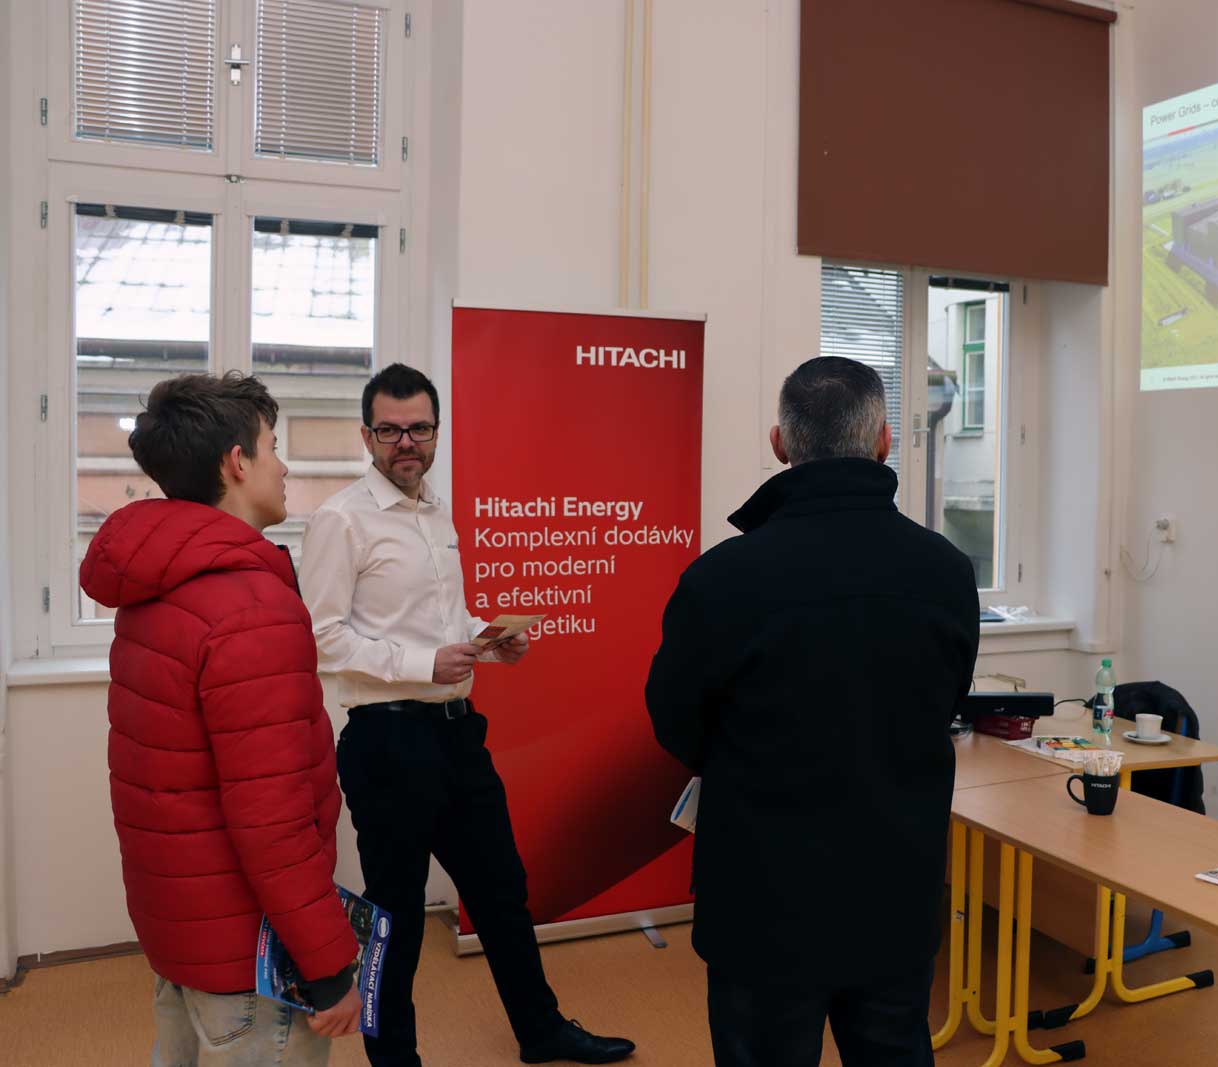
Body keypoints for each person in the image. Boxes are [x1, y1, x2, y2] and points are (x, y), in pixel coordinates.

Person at [646, 356, 980, 1067]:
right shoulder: (947, 571)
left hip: (762, 901)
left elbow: (674, 720)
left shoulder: (721, 579)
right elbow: (947, 703)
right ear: (885, 441)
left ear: (780, 444)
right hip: (897, 888)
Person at [299, 363, 635, 1067]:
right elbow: (322, 637)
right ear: (366, 435)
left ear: (436, 432)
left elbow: (439, 619)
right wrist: (425, 664)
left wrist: (487, 638)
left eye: (419, 428)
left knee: (502, 891)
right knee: (396, 914)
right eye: (390, 430)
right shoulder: (341, 519)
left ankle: (541, 1032)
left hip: (456, 733)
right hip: (386, 742)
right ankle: (395, 1060)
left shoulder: (434, 510)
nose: (406, 442)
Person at [78, 372, 363, 1066]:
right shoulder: (248, 608)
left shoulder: (159, 585)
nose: (284, 466)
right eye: (273, 446)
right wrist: (328, 963)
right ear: (237, 462)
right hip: (247, 954)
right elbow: (272, 818)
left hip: (183, 932)